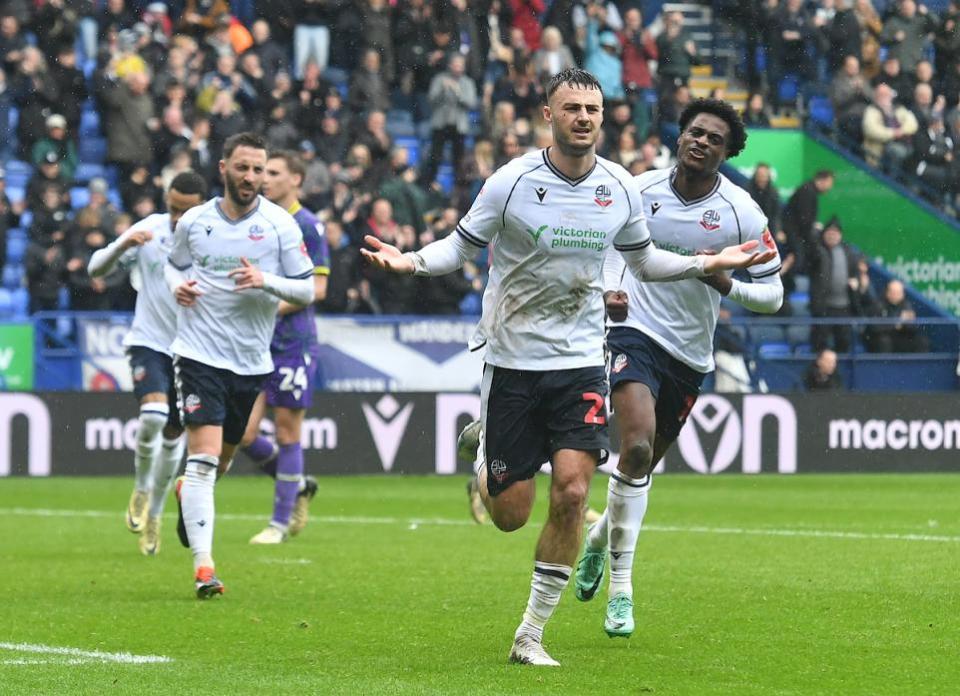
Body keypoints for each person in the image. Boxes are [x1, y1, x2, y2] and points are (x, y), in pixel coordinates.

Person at [360, 69, 775, 666]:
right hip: (510, 355)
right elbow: (459, 247)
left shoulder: (620, 189)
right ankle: (485, 455)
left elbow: (646, 261)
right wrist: (413, 263)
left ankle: (530, 635)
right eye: (572, 107)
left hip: (581, 359)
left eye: (593, 109)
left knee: (575, 492)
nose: (584, 117)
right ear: (549, 116)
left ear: (602, 119)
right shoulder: (513, 182)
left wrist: (709, 263)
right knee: (510, 514)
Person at [574, 98, 783, 638]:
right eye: (695, 131)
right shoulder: (639, 191)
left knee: (637, 468)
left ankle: (597, 541)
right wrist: (612, 289)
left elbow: (775, 294)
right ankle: (622, 590)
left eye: (714, 138)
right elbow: (610, 249)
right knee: (637, 446)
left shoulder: (743, 212)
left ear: (728, 151)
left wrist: (727, 284)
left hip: (690, 354)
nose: (701, 142)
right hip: (634, 332)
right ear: (679, 135)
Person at [164, 132, 316, 598]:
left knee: (224, 458)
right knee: (205, 458)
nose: (251, 177)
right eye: (243, 167)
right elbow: (172, 265)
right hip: (197, 354)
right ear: (224, 168)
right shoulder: (194, 220)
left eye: (258, 169)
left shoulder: (279, 226)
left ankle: (187, 493)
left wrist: (265, 280)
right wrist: (177, 286)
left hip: (251, 361)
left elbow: (307, 289)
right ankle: (204, 568)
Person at [87, 172, 208, 555]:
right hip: (148, 342)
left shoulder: (213, 242)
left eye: (184, 211)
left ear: (202, 208)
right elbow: (95, 270)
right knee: (153, 415)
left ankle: (153, 514)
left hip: (190, 352)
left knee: (174, 438)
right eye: (172, 208)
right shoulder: (151, 229)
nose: (175, 218)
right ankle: (140, 487)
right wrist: (123, 243)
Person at [239, 150, 330, 544]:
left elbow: (319, 288)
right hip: (257, 340)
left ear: (295, 180)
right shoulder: (258, 221)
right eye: (262, 171)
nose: (264, 178)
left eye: (273, 172)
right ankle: (297, 484)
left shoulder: (307, 225)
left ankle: (278, 523)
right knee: (240, 433)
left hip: (292, 341)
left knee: (288, 431)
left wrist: (270, 305)